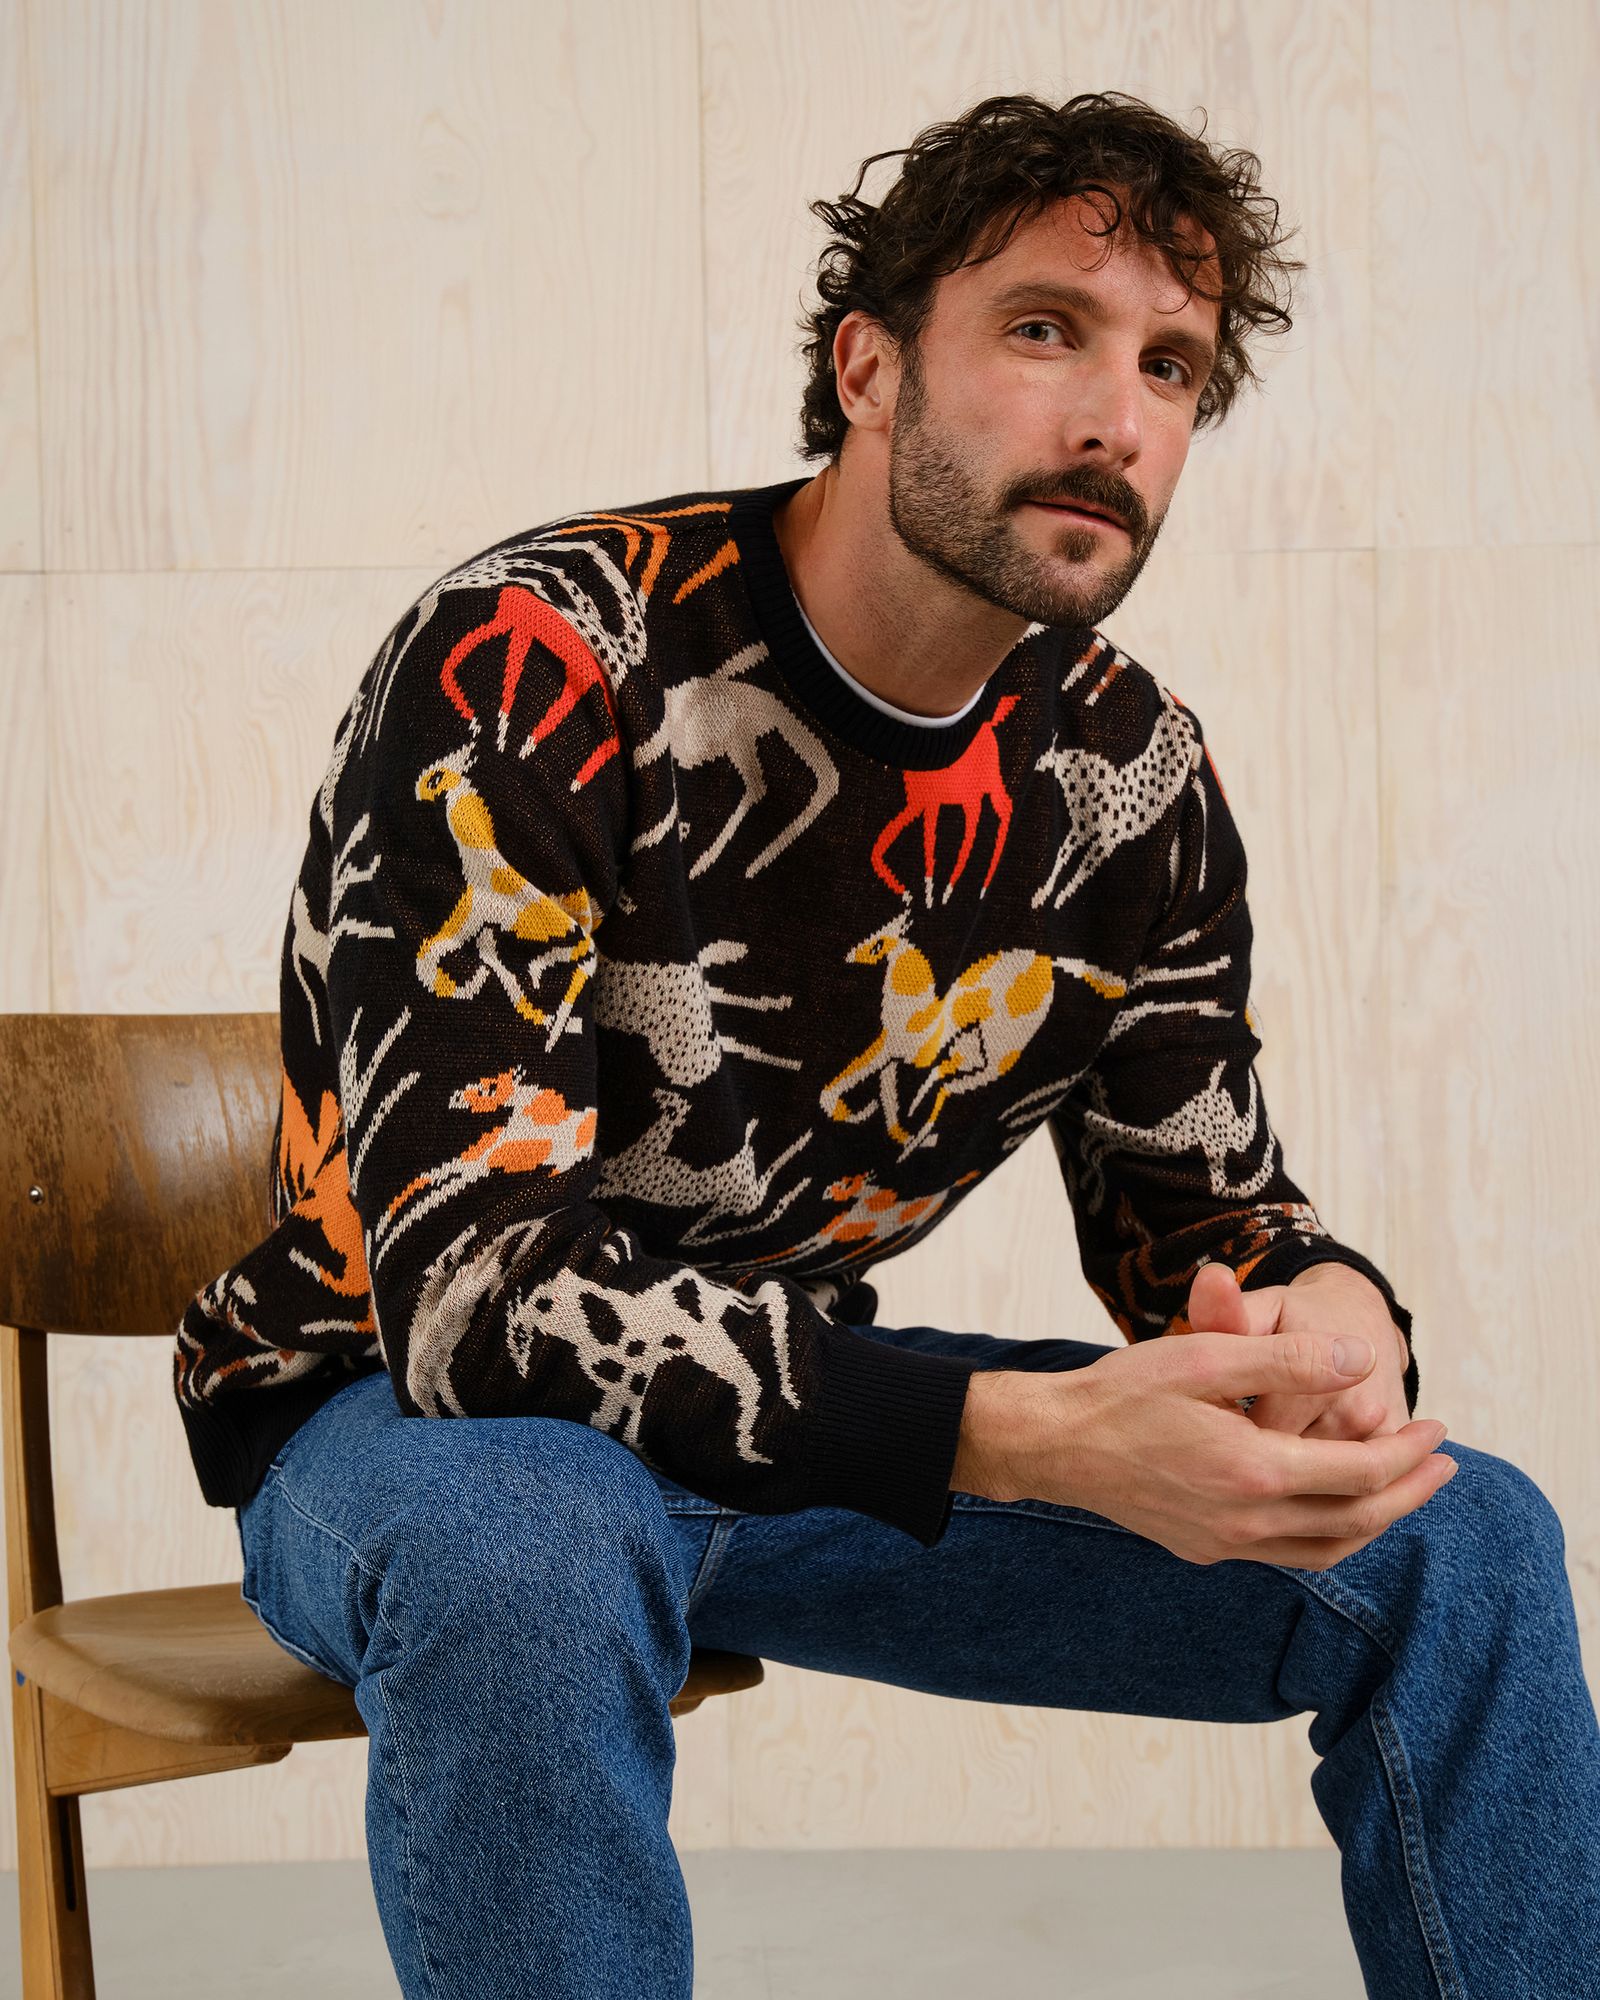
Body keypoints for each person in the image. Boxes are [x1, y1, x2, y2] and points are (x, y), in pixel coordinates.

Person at [172, 90, 1600, 1998]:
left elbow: (1205, 1207)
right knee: (533, 1540)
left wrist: (1327, 1322)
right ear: (867, 366)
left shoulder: (1130, 774)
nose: (1115, 416)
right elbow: (473, 1300)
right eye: (1043, 329)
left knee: (1464, 1542)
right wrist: (1017, 1440)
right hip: (405, 1414)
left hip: (793, 1420)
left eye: (1170, 365)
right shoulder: (542, 653)